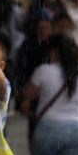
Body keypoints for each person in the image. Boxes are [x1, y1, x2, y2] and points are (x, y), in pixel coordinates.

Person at [14, 8, 54, 147]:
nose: (43, 32)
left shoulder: (55, 48)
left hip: (52, 97)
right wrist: (23, 99)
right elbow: (20, 73)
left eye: (47, 28)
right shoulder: (26, 47)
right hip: (33, 97)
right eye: (40, 27)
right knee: (36, 138)